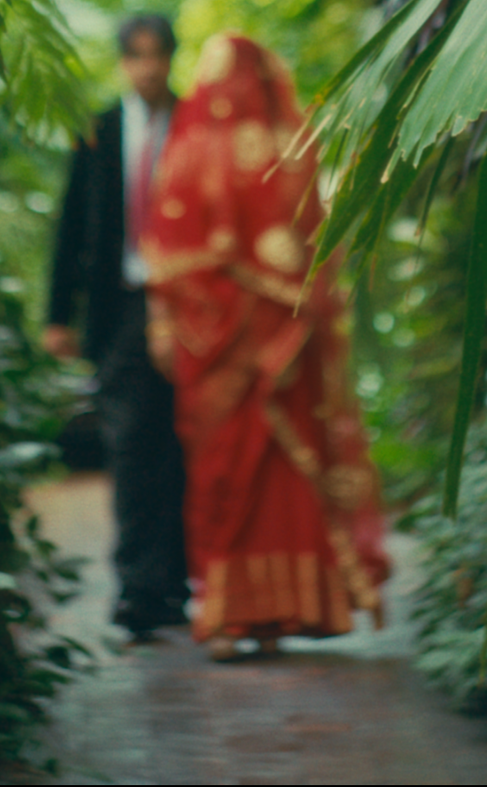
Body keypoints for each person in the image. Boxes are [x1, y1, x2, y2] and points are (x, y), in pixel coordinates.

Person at [143, 32, 389, 661]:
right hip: (235, 342)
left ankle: (283, 609)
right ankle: (239, 612)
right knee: (226, 470)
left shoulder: (285, 148)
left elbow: (312, 238)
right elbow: (171, 246)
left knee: (269, 468)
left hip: (277, 338)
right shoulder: (210, 147)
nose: (224, 95)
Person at [44, 13, 192, 639]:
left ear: (170, 59)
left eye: (157, 55)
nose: (147, 67)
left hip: (185, 307)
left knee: (180, 447)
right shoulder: (97, 131)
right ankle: (137, 589)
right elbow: (71, 223)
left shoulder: (194, 125)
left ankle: (175, 587)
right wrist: (57, 314)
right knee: (130, 448)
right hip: (120, 309)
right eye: (135, 56)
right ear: (123, 63)